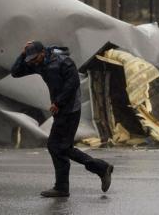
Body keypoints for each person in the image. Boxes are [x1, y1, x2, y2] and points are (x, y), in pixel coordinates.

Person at [11, 41, 114, 198]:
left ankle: (98, 169)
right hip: (60, 109)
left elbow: (72, 84)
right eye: (30, 59)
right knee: (59, 147)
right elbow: (15, 72)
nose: (33, 62)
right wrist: (23, 54)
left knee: (59, 147)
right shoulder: (38, 63)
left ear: (43, 53)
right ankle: (64, 186)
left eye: (35, 58)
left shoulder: (64, 61)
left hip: (71, 108)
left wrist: (58, 102)